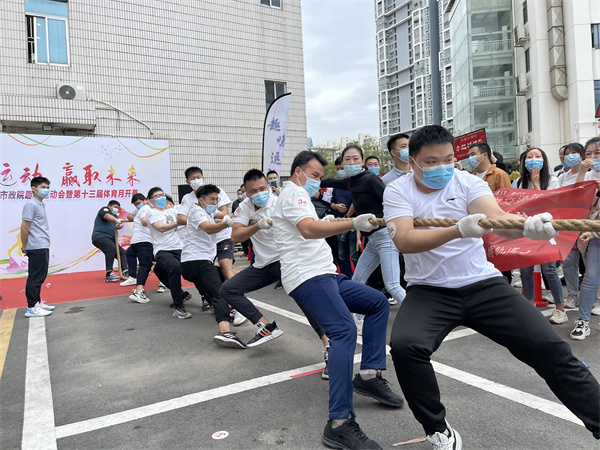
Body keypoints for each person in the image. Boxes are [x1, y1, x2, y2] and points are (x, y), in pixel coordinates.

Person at [384, 125, 600, 448]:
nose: (442, 167)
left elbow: (496, 219)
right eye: (431, 162)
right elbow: (404, 239)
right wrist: (457, 230)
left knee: (551, 349)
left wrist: (527, 227)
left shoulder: (467, 182)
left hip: (482, 284)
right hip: (429, 290)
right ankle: (438, 429)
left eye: (447, 160)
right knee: (405, 346)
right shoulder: (398, 191)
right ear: (412, 162)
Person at [272, 150, 404, 450]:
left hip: (326, 274)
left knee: (376, 302)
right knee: (343, 331)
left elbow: (307, 227)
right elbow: (308, 229)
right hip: (308, 276)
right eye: (314, 175)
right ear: (298, 172)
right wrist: (352, 223)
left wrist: (336, 220)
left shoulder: (299, 196)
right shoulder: (293, 193)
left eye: (321, 177)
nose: (317, 181)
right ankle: (339, 423)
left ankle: (368, 375)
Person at [221, 169, 331, 358]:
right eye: (253, 191)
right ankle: (266, 326)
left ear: (269, 187)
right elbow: (235, 236)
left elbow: (305, 225)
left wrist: (322, 222)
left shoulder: (280, 202)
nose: (259, 193)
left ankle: (329, 346)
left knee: (305, 300)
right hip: (263, 265)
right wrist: (257, 226)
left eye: (262, 188)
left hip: (285, 261)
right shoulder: (245, 206)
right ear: (246, 193)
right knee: (228, 289)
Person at [321, 145, 406, 306]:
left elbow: (390, 201)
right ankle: (358, 317)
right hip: (372, 240)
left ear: (362, 161)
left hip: (385, 237)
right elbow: (334, 182)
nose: (351, 162)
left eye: (355, 159)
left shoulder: (370, 179)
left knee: (393, 286)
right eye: (347, 159)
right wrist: (312, 181)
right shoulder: (351, 182)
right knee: (357, 280)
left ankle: (419, 317)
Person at [179, 184, 245, 347]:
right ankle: (225, 332)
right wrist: (227, 224)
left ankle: (226, 310)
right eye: (212, 199)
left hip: (193, 263)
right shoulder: (197, 211)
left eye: (217, 199)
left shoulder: (209, 211)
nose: (215, 202)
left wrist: (241, 216)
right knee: (219, 294)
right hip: (197, 262)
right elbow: (208, 228)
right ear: (201, 201)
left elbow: (225, 215)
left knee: (217, 276)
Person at [513, 148, 566, 323]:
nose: (533, 160)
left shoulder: (552, 180)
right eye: (529, 157)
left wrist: (536, 185)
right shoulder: (519, 182)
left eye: (537, 156)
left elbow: (549, 205)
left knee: (549, 270)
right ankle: (530, 306)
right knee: (525, 270)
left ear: (544, 160)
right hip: (527, 229)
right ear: (523, 162)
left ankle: (560, 309)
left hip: (546, 230)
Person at [177, 166, 235, 281]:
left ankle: (233, 289)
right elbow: (180, 218)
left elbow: (224, 213)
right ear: (187, 182)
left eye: (198, 177)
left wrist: (230, 218)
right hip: (204, 242)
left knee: (225, 264)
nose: (196, 180)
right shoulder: (188, 199)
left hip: (221, 236)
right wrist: (198, 222)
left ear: (203, 178)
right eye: (193, 178)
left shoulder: (215, 192)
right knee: (207, 270)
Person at [570, 136, 600, 340]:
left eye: (597, 153)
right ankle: (582, 321)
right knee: (590, 277)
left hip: (593, 232)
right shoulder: (587, 175)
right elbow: (577, 198)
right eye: (588, 154)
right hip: (594, 234)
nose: (592, 157)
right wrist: (581, 172)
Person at [146, 187, 190, 319]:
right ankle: (178, 306)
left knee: (160, 270)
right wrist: (178, 223)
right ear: (151, 201)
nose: (161, 198)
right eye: (157, 196)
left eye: (162, 195)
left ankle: (206, 298)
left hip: (179, 248)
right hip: (162, 249)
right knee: (174, 268)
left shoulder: (171, 211)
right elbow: (160, 228)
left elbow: (184, 216)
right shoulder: (151, 213)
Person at [21, 176, 55, 317]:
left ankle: (37, 302)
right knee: (35, 277)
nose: (46, 190)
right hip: (35, 245)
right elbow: (24, 227)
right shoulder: (31, 204)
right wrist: (24, 245)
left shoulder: (40, 204)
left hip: (42, 244)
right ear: (33, 189)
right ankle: (31, 307)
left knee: (40, 276)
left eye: (47, 187)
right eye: (43, 188)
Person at [558, 142, 586, 309]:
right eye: (567, 153)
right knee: (569, 262)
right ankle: (572, 295)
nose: (570, 156)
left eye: (574, 153)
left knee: (589, 261)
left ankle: (593, 297)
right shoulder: (561, 177)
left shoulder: (589, 174)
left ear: (582, 155)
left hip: (586, 222)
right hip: (567, 222)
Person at [121, 193, 153, 303]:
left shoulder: (147, 208)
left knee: (130, 253)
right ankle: (138, 291)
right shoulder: (145, 208)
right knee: (145, 265)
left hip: (137, 241)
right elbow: (144, 221)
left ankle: (133, 277)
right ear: (147, 200)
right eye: (136, 204)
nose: (137, 206)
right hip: (144, 240)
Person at [330, 157, 358, 279]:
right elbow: (331, 203)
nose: (340, 171)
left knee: (355, 255)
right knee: (342, 256)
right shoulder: (337, 185)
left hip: (353, 224)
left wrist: (347, 216)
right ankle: (348, 279)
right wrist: (335, 206)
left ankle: (360, 280)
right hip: (338, 224)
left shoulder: (355, 183)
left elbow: (356, 202)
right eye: (338, 169)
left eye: (342, 168)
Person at [91, 200, 128, 282]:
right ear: (109, 206)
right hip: (100, 237)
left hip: (110, 238)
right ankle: (109, 274)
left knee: (122, 253)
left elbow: (118, 226)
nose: (116, 209)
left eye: (118, 208)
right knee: (111, 248)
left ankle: (125, 271)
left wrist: (119, 224)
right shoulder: (104, 210)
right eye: (115, 207)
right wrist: (116, 220)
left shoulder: (115, 216)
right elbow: (107, 216)